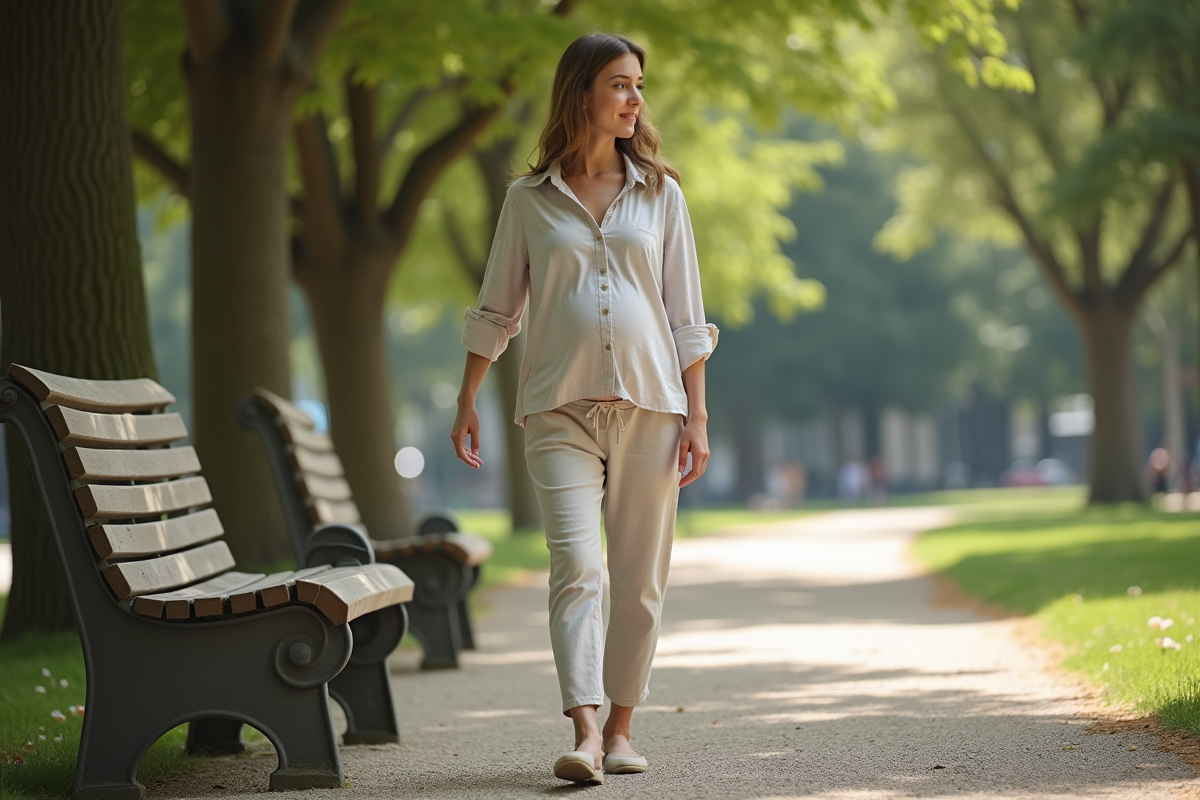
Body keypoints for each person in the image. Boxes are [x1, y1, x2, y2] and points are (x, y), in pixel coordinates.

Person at [450, 33, 717, 784]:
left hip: (651, 407)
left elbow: (685, 316)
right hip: (556, 409)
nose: (634, 99)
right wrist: (468, 395)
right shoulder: (528, 200)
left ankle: (625, 728)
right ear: (582, 95)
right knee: (576, 565)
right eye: (620, 85)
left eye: (639, 86)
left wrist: (697, 415)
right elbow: (498, 308)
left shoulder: (662, 193)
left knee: (637, 576)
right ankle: (587, 732)